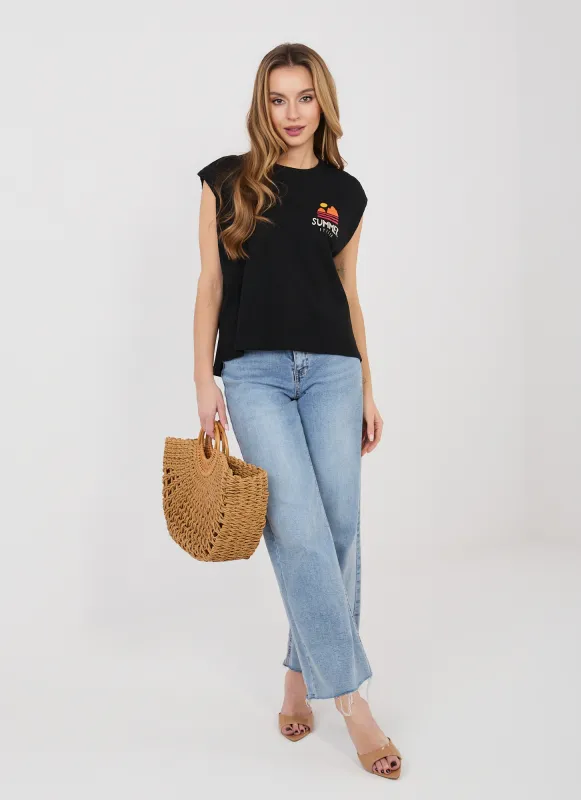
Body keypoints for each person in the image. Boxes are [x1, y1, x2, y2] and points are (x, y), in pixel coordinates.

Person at [193, 42, 402, 780]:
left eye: (304, 97)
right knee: (300, 529)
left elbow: (348, 294)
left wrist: (368, 387)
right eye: (278, 99)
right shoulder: (227, 181)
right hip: (253, 375)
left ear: (322, 103)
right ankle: (350, 698)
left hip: (334, 373)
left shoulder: (345, 193)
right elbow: (210, 287)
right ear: (263, 105)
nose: (291, 113)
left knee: (339, 528)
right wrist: (203, 381)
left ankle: (295, 673)